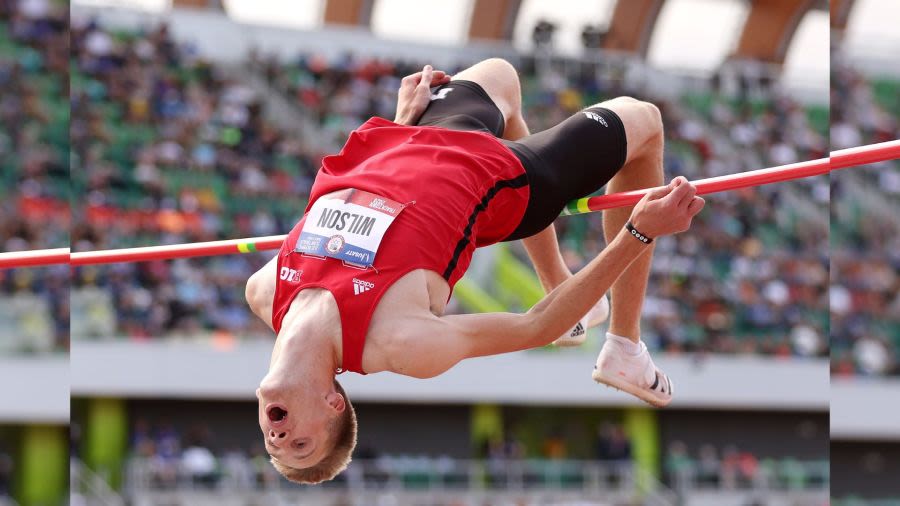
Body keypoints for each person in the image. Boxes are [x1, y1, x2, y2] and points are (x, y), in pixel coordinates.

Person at [244, 58, 705, 484]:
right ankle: (625, 345)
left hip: (413, 140)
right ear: (333, 405)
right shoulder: (400, 343)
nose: (278, 439)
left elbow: (360, 201)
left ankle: (554, 276)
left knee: (500, 75)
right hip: (502, 180)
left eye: (274, 444)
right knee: (644, 118)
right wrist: (638, 233)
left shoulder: (264, 292)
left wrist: (401, 124)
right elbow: (538, 325)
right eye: (301, 445)